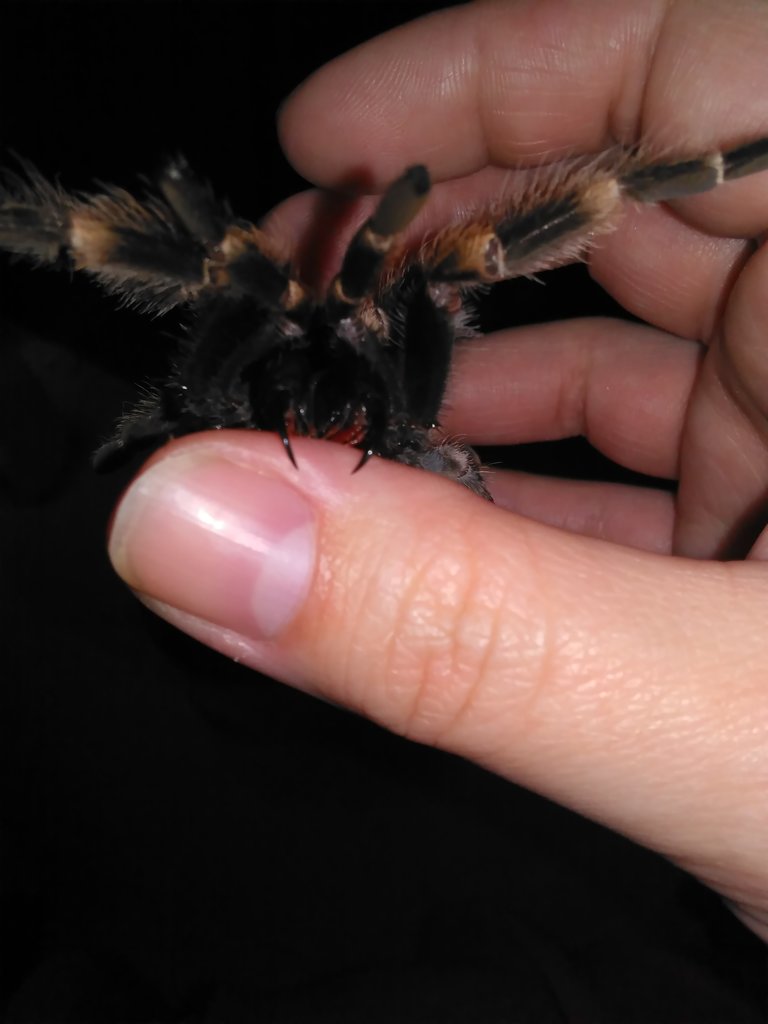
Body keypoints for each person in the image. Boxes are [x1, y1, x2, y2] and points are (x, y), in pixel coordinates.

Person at [107, 0, 768, 943]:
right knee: (276, 282)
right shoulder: (266, 362)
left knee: (410, 275)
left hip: (342, 480)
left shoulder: (390, 369)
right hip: (244, 476)